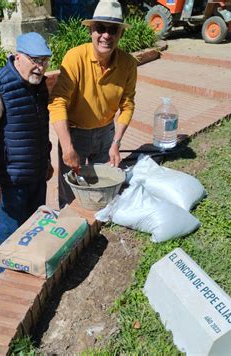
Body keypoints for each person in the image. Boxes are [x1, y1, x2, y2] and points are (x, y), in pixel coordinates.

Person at [0, 32, 54, 268]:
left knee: (34, 231)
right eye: (35, 60)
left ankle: (28, 272)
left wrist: (46, 161)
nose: (40, 67)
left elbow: (41, 128)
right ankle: (3, 277)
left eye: (45, 61)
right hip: (10, 183)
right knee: (11, 236)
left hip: (36, 176)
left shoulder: (40, 86)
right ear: (18, 57)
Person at [48, 0, 138, 208]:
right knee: (71, 190)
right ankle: (70, 225)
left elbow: (127, 104)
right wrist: (67, 146)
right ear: (91, 30)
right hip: (75, 134)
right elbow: (57, 102)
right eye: (100, 28)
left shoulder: (128, 64)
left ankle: (98, 226)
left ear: (120, 34)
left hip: (106, 133)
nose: (106, 35)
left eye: (113, 30)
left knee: (103, 189)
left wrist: (116, 143)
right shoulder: (75, 57)